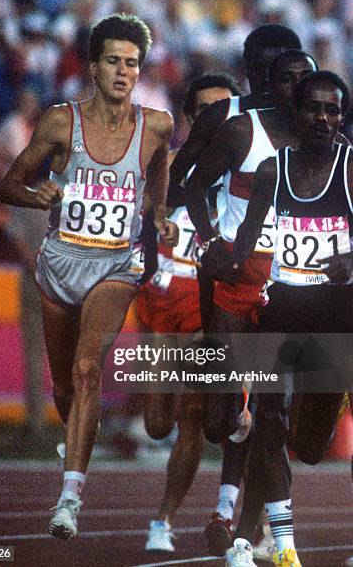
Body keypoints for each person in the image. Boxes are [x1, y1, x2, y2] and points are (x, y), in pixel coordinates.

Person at [0, 13, 178, 540]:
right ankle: (75, 436)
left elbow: (161, 162)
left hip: (116, 265)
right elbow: (9, 185)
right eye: (114, 62)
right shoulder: (60, 122)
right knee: (64, 388)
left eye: (132, 63)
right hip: (59, 263)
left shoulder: (156, 124)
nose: (124, 72)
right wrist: (39, 195)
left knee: (84, 369)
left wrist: (159, 209)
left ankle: (69, 497)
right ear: (93, 67)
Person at [185, 49, 318, 558]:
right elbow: (193, 185)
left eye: (304, 81)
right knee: (221, 422)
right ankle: (234, 410)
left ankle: (246, 536)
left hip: (292, 287)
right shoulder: (244, 132)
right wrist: (212, 242)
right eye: (286, 79)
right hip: (241, 272)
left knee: (274, 417)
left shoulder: (333, 147)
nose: (296, 89)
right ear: (270, 84)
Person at [223, 71, 352, 566]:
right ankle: (284, 547)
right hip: (282, 308)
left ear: (341, 117)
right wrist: (218, 252)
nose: (322, 118)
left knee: (310, 445)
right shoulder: (273, 171)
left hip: (336, 315)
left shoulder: (350, 167)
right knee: (269, 418)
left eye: (332, 110)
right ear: (295, 115)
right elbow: (247, 240)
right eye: (313, 108)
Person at [137, 73, 240, 553]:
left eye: (226, 110)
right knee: (158, 421)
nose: (217, 121)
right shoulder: (167, 167)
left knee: (192, 414)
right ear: (189, 118)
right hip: (163, 305)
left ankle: (164, 518)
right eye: (206, 112)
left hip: (213, 306)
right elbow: (140, 230)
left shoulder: (246, 171)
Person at [168, 24, 302, 207]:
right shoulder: (219, 116)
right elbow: (170, 187)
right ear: (246, 69)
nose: (266, 79)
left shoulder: (317, 121)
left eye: (275, 70)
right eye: (258, 69)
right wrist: (214, 207)